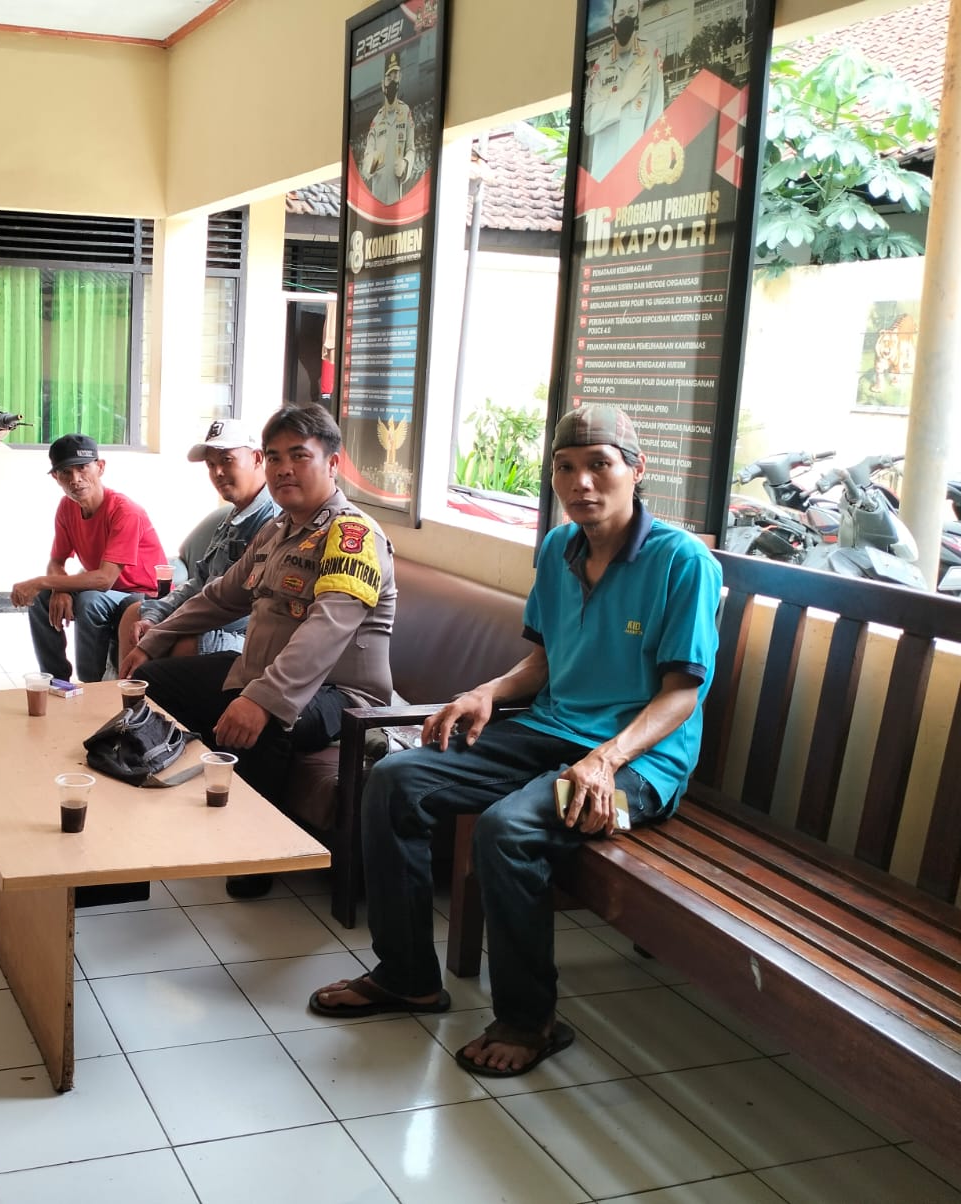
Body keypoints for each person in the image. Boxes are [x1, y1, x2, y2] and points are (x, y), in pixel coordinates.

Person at [308, 405, 721, 1080]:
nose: (581, 482)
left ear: (636, 470)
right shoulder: (560, 549)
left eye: (599, 465)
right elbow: (545, 659)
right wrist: (488, 692)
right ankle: (407, 975)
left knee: (508, 829)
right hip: (549, 732)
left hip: (639, 768)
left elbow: (682, 693)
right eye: (566, 467)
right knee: (395, 781)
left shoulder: (682, 562)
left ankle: (531, 1020)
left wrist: (604, 759)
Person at [119, 405, 396, 898]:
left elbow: (327, 629)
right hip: (264, 672)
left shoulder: (352, 536)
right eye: (274, 457)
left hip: (341, 694)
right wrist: (155, 639)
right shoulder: (277, 531)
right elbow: (221, 596)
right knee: (156, 683)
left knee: (269, 720)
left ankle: (255, 854)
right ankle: (202, 797)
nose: (283, 468)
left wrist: (261, 698)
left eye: (299, 456)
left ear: (333, 464)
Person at [115, 417, 279, 668]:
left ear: (257, 458)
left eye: (227, 460)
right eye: (211, 465)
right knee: (134, 615)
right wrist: (156, 616)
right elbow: (200, 581)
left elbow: (238, 607)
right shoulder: (233, 518)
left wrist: (167, 630)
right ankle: (128, 691)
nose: (218, 472)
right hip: (207, 616)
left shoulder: (273, 520)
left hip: (253, 637)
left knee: (185, 645)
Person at [12, 434, 168, 684]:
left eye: (82, 467)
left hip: (141, 593)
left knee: (90, 601)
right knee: (42, 599)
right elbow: (57, 561)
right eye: (65, 472)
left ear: (100, 467)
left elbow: (105, 579)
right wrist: (58, 588)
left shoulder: (125, 511)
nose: (75, 479)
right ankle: (56, 682)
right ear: (56, 478)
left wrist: (42, 581)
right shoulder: (67, 507)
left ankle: (92, 685)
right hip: (102, 589)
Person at [582, 0, 666, 180]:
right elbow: (589, 122)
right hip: (603, 177)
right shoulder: (601, 65)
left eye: (631, 11)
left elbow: (655, 118)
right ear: (612, 19)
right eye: (620, 14)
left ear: (639, 11)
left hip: (635, 176)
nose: (626, 18)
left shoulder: (650, 55)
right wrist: (625, 94)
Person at [361, 51, 417, 204]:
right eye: (388, 78)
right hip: (377, 197)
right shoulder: (377, 120)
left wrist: (405, 164)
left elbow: (411, 149)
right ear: (382, 84)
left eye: (395, 77)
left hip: (395, 197)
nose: (392, 82)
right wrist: (373, 162)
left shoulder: (405, 113)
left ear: (400, 78)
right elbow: (367, 159)